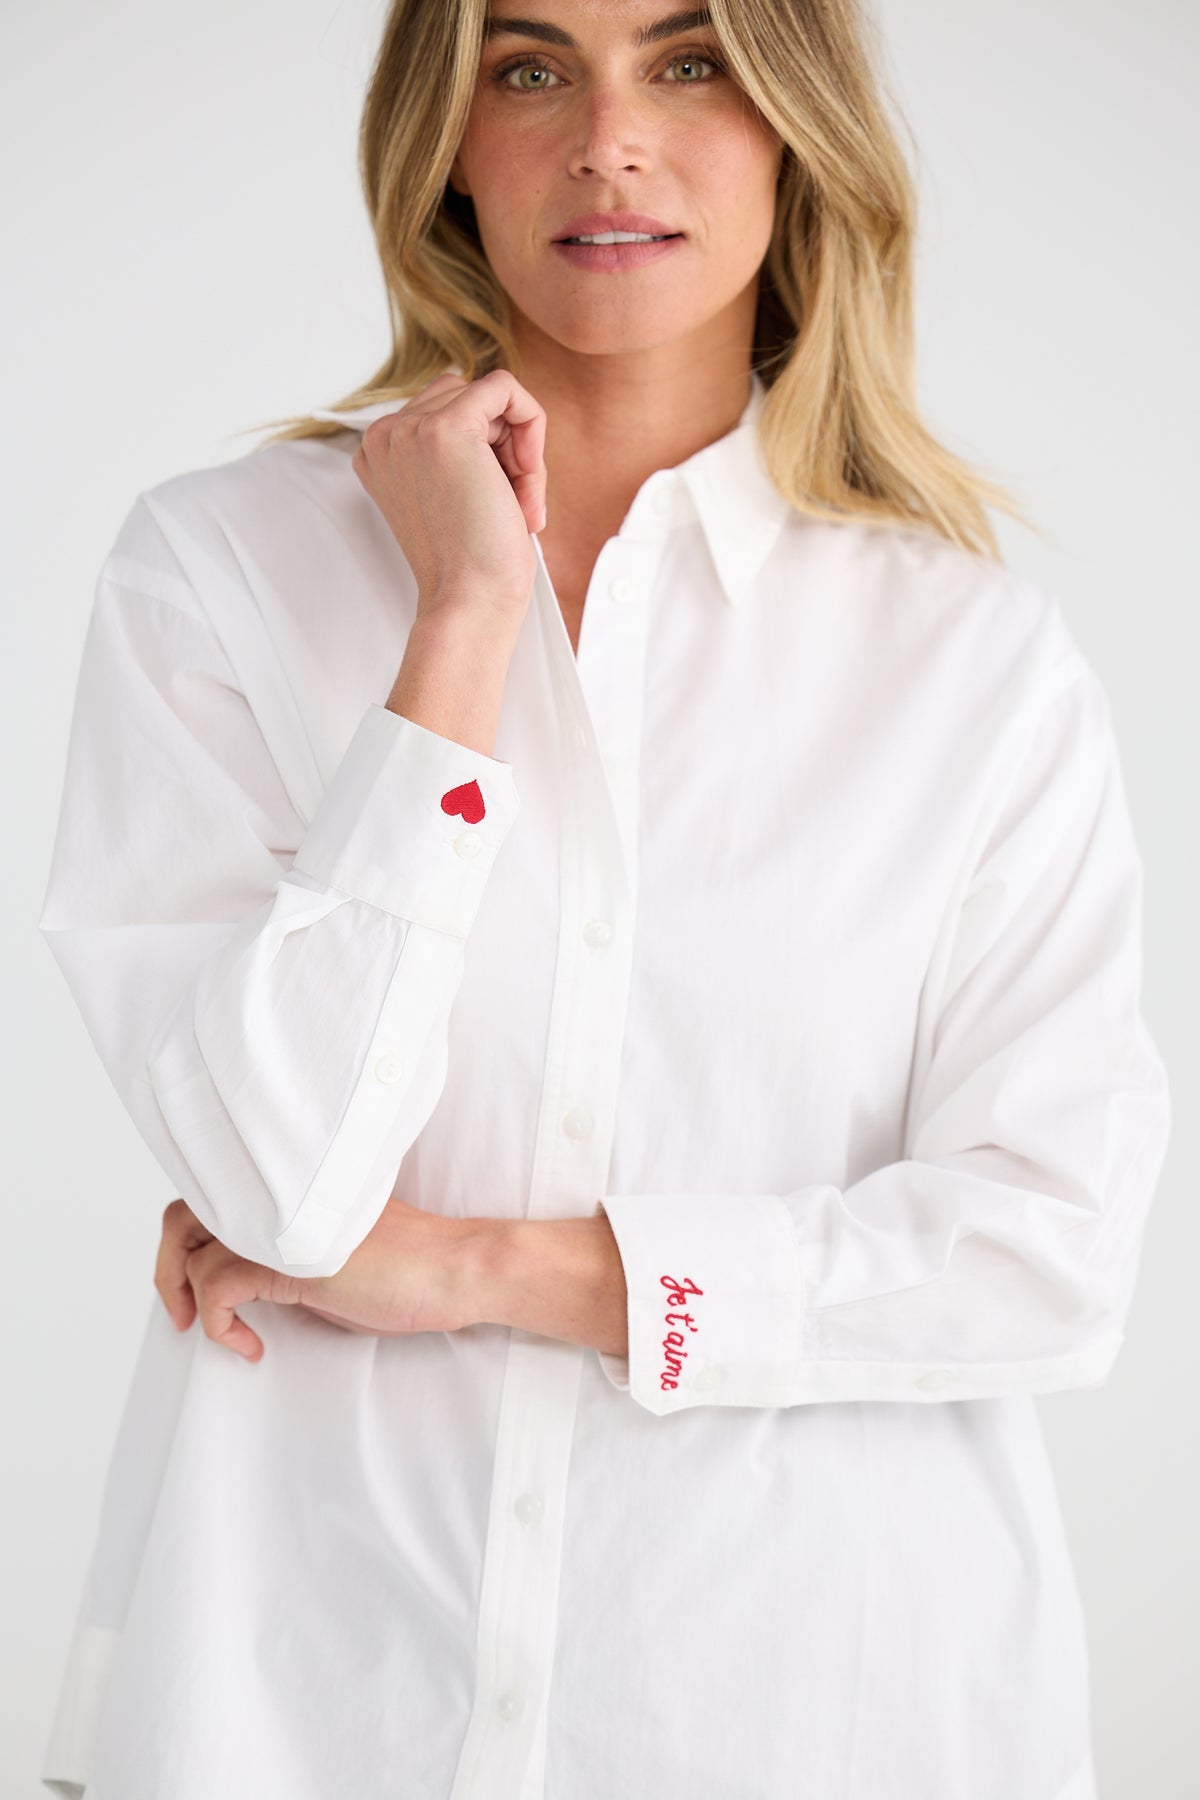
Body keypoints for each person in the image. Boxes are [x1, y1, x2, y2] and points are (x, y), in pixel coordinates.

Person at [37, 1, 1171, 1796]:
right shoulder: (222, 574)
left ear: (799, 127)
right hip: (306, 1705)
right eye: (531, 67)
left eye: (691, 60)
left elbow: (1043, 1258)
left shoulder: (971, 663)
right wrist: (461, 624)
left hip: (809, 1715)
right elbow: (279, 1187)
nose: (609, 139)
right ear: (447, 142)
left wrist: (477, 1268)